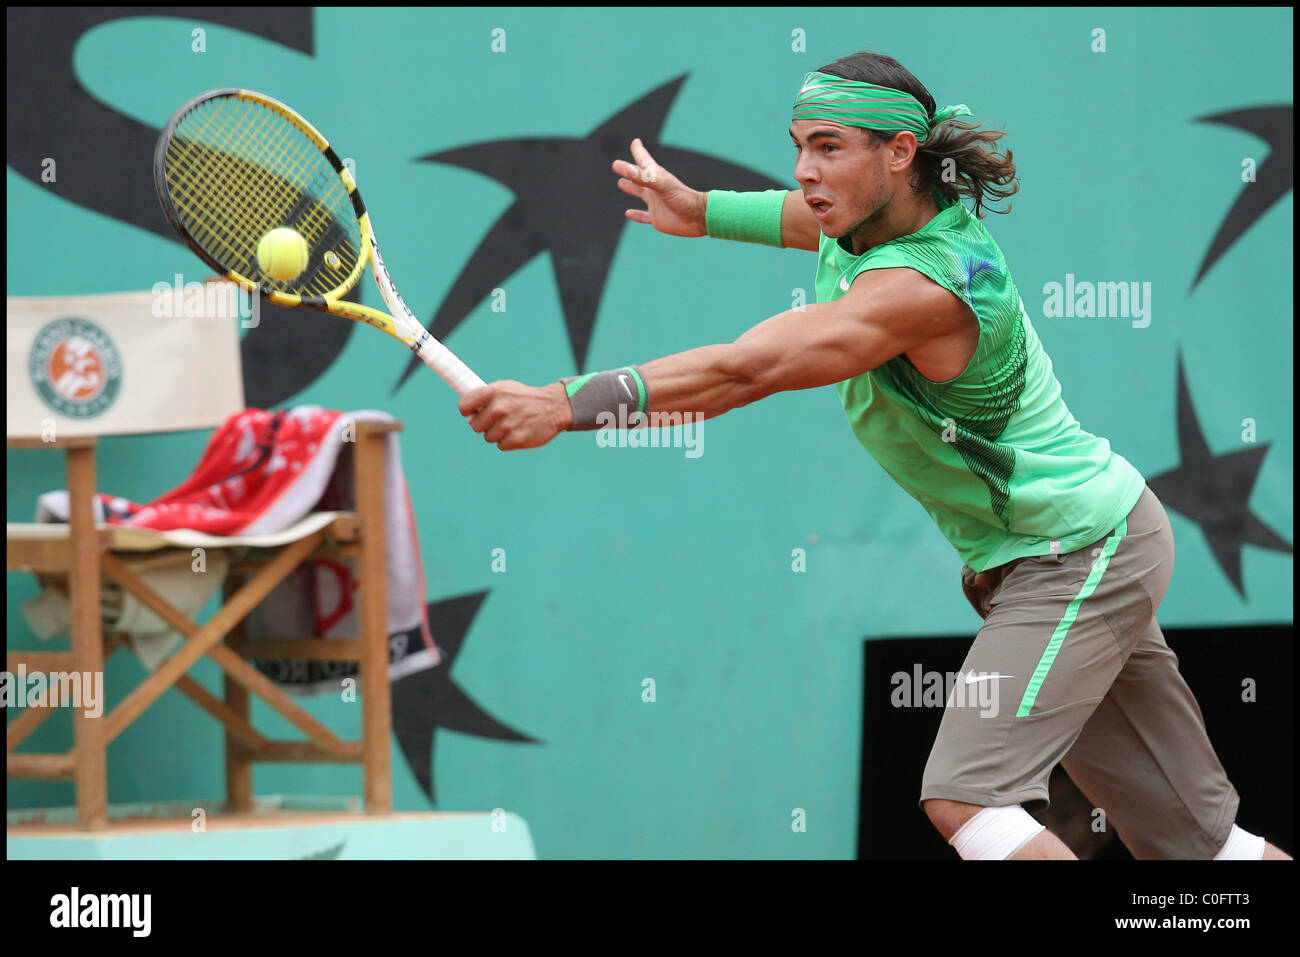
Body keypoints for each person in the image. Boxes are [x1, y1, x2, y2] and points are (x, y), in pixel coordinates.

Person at [458, 50, 1291, 860]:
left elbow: (749, 369)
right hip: (1092, 538)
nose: (805, 171)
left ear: (900, 155)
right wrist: (700, 207)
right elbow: (796, 220)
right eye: (798, 145)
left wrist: (564, 402)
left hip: (1076, 553)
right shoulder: (863, 219)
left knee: (969, 793)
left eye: (828, 147)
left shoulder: (921, 289)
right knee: (1204, 852)